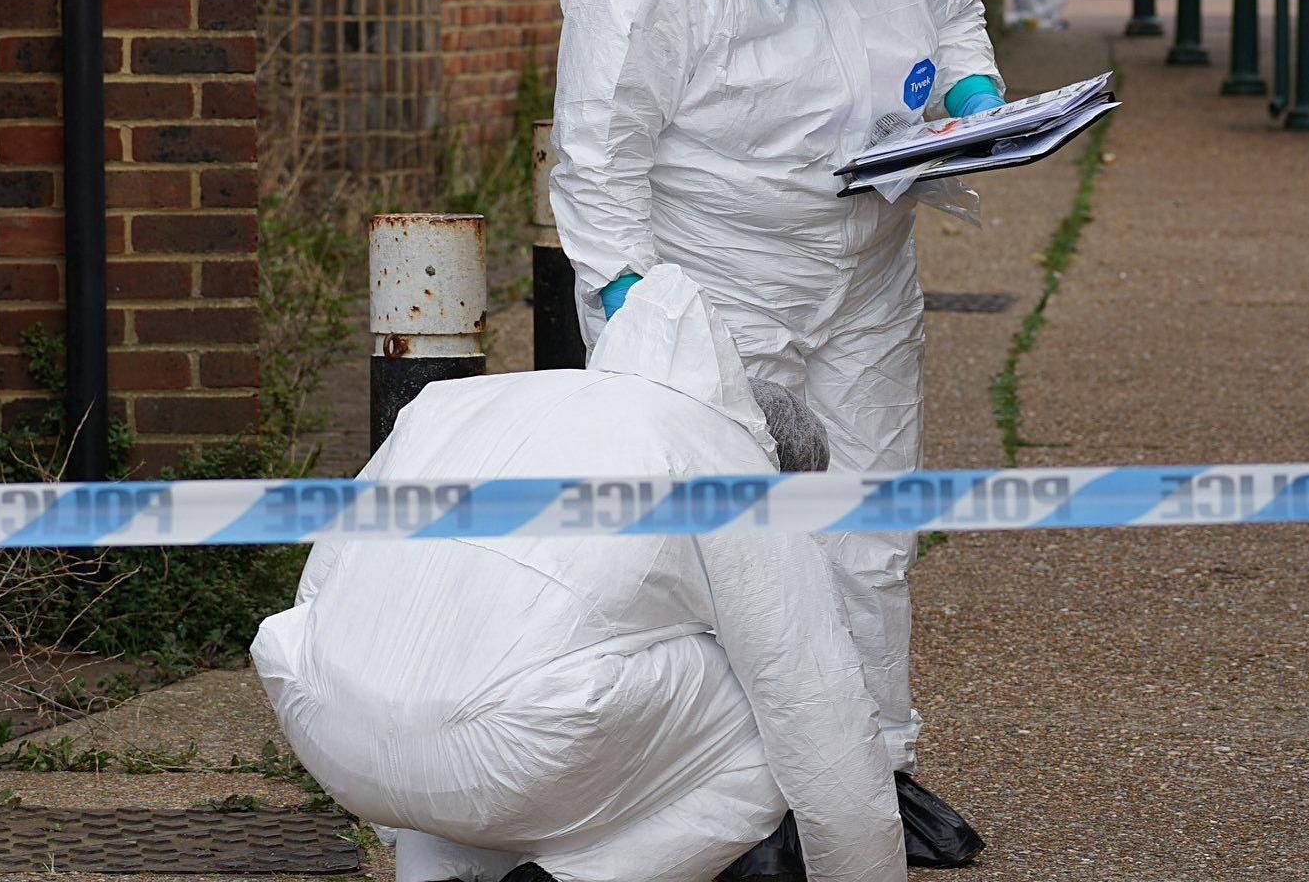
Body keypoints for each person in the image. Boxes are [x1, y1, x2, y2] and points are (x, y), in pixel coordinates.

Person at [548, 0, 1002, 777]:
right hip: (711, 277)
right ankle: (729, 783)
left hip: (865, 264)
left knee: (868, 531)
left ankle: (870, 774)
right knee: (727, 553)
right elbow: (597, 149)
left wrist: (972, 97)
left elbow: (952, 8)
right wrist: (628, 301)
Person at [253, 267, 903, 882]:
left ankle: (443, 870)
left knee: (450, 651)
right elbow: (819, 711)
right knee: (772, 712)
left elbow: (324, 586)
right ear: (777, 463)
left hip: (331, 724)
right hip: (518, 753)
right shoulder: (726, 462)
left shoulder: (459, 403)